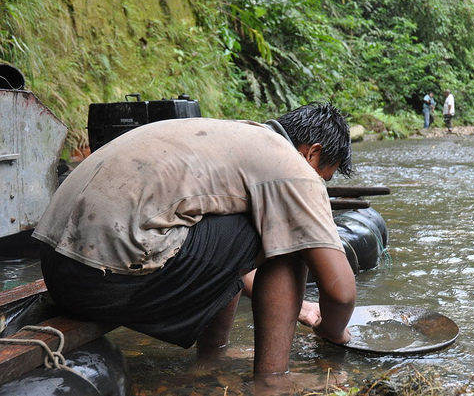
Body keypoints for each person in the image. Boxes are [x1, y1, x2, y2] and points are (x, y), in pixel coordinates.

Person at [33, 101, 356, 390]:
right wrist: (333, 331)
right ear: (311, 152)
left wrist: (299, 308)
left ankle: (213, 355)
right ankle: (272, 380)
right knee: (292, 234)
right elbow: (341, 293)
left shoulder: (229, 135)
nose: (319, 182)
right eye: (323, 176)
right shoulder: (291, 166)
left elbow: (221, 263)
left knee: (234, 217)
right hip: (112, 282)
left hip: (59, 272)